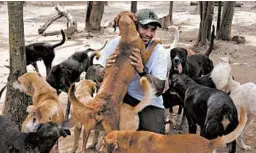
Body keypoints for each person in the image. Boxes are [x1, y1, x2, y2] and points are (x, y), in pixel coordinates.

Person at [86, 9, 168, 134]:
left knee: (152, 137)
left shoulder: (159, 51)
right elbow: (92, 72)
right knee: (116, 135)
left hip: (149, 101)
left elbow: (159, 89)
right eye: (145, 27)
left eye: (153, 30)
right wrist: (103, 71)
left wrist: (142, 71)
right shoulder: (116, 43)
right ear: (135, 26)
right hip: (124, 96)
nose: (148, 34)